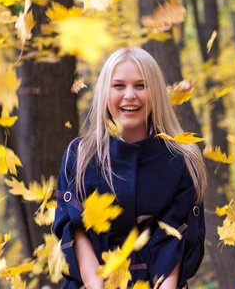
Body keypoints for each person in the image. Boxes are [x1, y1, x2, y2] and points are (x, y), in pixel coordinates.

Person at [53, 47, 207, 289]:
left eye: (140, 85)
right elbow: (75, 231)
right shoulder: (80, 156)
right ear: (105, 92)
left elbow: (173, 243)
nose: (129, 95)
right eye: (119, 86)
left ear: (155, 92)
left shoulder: (181, 160)